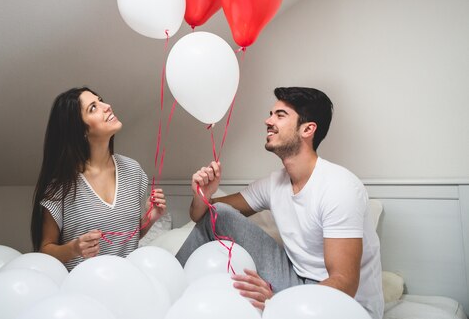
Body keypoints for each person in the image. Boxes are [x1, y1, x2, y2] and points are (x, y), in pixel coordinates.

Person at [176, 87, 383, 319]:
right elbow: (203, 214)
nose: (268, 120)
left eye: (280, 115)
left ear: (307, 129)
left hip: (343, 304)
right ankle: (168, 283)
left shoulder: (339, 187)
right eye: (271, 114)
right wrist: (203, 194)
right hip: (295, 278)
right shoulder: (275, 183)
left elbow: (345, 284)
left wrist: (280, 301)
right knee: (220, 213)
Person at [30, 86, 167, 271]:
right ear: (80, 131)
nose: (107, 106)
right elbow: (44, 251)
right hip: (83, 291)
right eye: (93, 108)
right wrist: (73, 249)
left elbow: (126, 237)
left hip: (128, 285)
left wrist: (150, 219)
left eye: (100, 100)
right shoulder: (60, 187)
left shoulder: (133, 171)